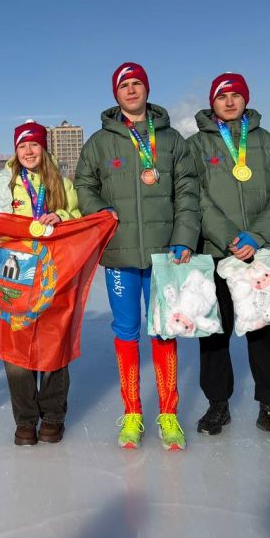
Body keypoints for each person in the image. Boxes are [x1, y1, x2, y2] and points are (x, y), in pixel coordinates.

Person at [75, 62, 200, 451]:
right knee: (126, 332)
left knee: (164, 329)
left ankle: (168, 414)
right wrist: (100, 211)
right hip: (119, 254)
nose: (131, 90)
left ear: (147, 89)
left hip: (165, 255)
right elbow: (84, 183)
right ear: (116, 94)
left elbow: (188, 191)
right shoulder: (100, 141)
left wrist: (184, 238)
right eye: (124, 85)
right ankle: (132, 412)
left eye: (137, 84)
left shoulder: (173, 140)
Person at [187, 72, 270, 443]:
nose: (230, 101)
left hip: (261, 253)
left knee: (265, 330)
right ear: (212, 102)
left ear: (246, 99)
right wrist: (228, 236)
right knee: (215, 331)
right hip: (217, 251)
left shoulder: (267, 143)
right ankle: (217, 403)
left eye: (236, 94)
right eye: (223, 96)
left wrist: (258, 235)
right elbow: (194, 197)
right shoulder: (196, 146)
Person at [0, 120, 82, 446]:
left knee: (55, 341)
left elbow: (79, 219)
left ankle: (53, 415)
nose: (28, 151)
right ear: (15, 150)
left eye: (34, 144)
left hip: (54, 270)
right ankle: (26, 418)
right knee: (16, 346)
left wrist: (63, 217)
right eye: (22, 145)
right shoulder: (3, 182)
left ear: (44, 148)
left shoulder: (63, 182)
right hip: (12, 271)